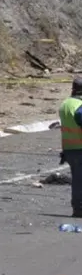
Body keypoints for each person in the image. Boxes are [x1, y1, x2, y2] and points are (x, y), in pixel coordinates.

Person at [57, 77, 82, 218]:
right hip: (80, 148)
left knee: (77, 180)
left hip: (69, 149)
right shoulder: (79, 106)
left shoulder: (65, 104)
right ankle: (79, 208)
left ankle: (78, 207)